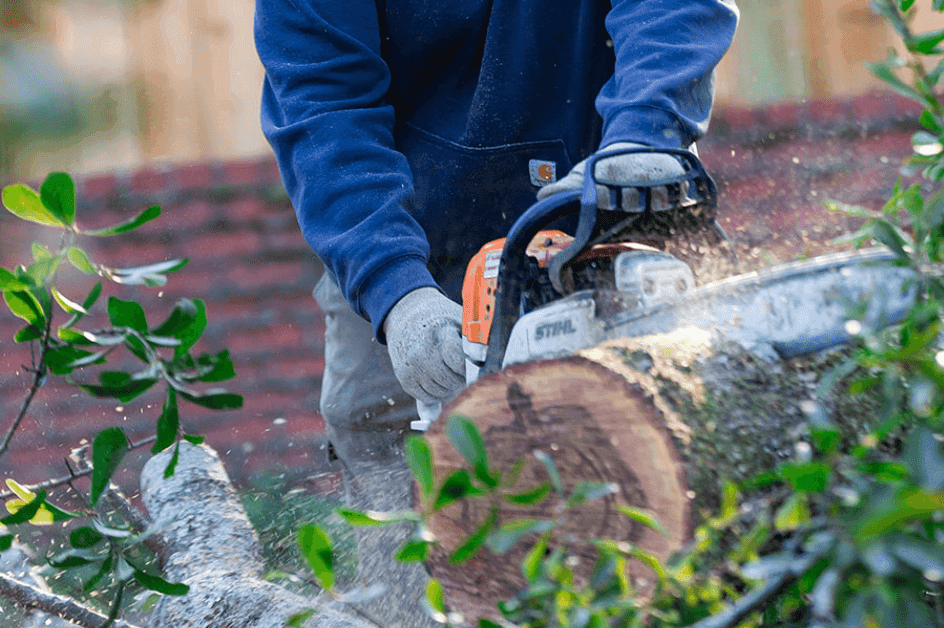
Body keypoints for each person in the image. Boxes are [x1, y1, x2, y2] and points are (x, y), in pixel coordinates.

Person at [254, 1, 738, 622]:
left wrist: (644, 135)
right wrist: (394, 291)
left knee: (671, 419)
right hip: (401, 230)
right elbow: (323, 108)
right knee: (373, 421)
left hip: (592, 198)